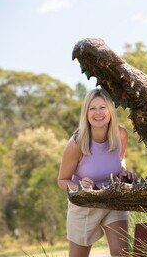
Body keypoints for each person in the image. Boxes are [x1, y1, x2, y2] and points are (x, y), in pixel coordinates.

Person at [58, 88, 136, 257]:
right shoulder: (77, 143)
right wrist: (79, 186)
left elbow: (120, 159)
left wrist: (123, 172)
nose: (98, 113)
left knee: (121, 254)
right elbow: (62, 180)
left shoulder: (120, 134)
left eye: (102, 107)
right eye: (92, 108)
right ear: (86, 113)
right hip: (85, 204)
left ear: (110, 110)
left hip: (113, 199)